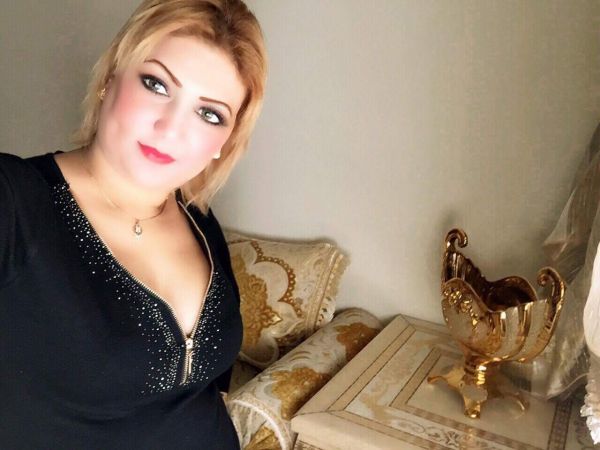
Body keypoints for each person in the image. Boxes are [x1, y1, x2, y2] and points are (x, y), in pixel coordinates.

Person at [0, 0, 267, 448]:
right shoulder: (16, 202)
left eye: (209, 114)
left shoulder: (199, 221)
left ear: (225, 141)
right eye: (156, 85)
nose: (171, 127)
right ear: (110, 79)